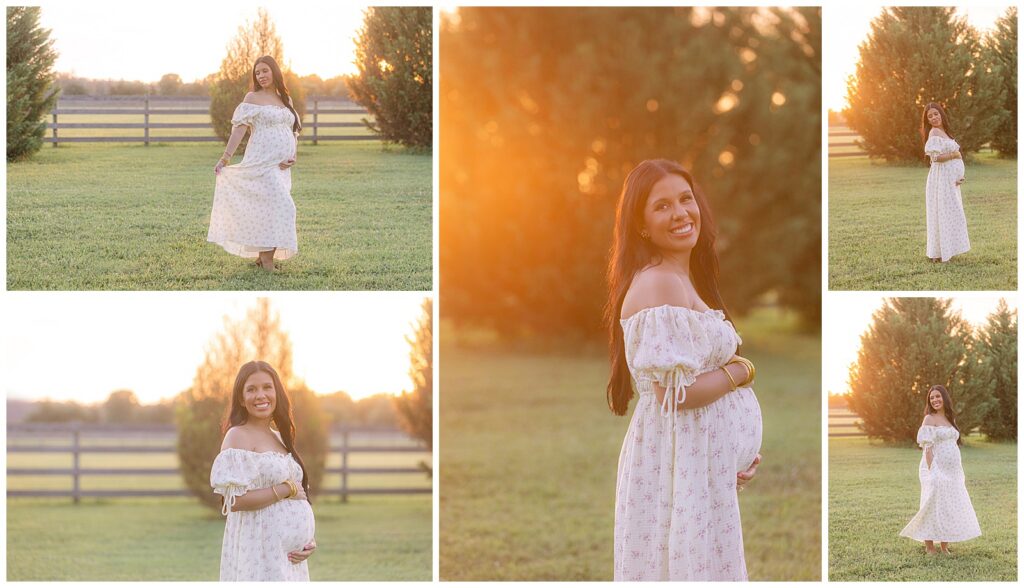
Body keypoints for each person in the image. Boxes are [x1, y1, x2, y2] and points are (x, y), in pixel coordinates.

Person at [605, 159, 763, 581]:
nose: (680, 213)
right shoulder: (660, 283)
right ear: (641, 225)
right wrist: (743, 371)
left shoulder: (681, 279)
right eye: (662, 206)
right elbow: (675, 394)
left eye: (685, 199)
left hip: (694, 461)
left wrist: (732, 452)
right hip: (676, 462)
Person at [210, 361, 317, 581]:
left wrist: (306, 540)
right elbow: (233, 501)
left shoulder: (280, 437)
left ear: (276, 392)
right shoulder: (238, 436)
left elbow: (299, 498)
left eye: (267, 387)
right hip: (258, 551)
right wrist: (285, 488)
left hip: (290, 559)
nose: (261, 395)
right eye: (251, 389)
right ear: (241, 398)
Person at [208, 55, 301, 271]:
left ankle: (263, 257)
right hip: (261, 162)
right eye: (257, 72)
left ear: (275, 72)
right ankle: (267, 259)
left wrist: (293, 155)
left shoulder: (286, 100)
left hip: (281, 166)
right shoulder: (252, 98)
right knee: (284, 206)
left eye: (265, 71)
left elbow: (293, 131)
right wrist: (225, 157)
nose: (261, 76)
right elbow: (239, 128)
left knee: (271, 208)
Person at [899, 384, 981, 554]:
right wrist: (932, 471)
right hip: (934, 469)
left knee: (949, 505)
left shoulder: (950, 419)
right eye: (932, 398)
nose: (935, 400)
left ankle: (944, 546)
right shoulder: (929, 419)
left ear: (944, 398)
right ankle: (929, 546)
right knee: (932, 503)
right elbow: (927, 449)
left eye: (938, 396)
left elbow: (952, 443)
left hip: (954, 471)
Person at [921, 102, 970, 263]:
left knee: (949, 212)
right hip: (940, 180)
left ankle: (946, 250)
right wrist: (954, 156)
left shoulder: (945, 132)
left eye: (936, 114)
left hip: (950, 181)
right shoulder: (934, 132)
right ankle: (939, 253)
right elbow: (935, 158)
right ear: (928, 120)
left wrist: (959, 175)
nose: (934, 117)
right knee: (942, 212)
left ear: (941, 114)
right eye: (930, 116)